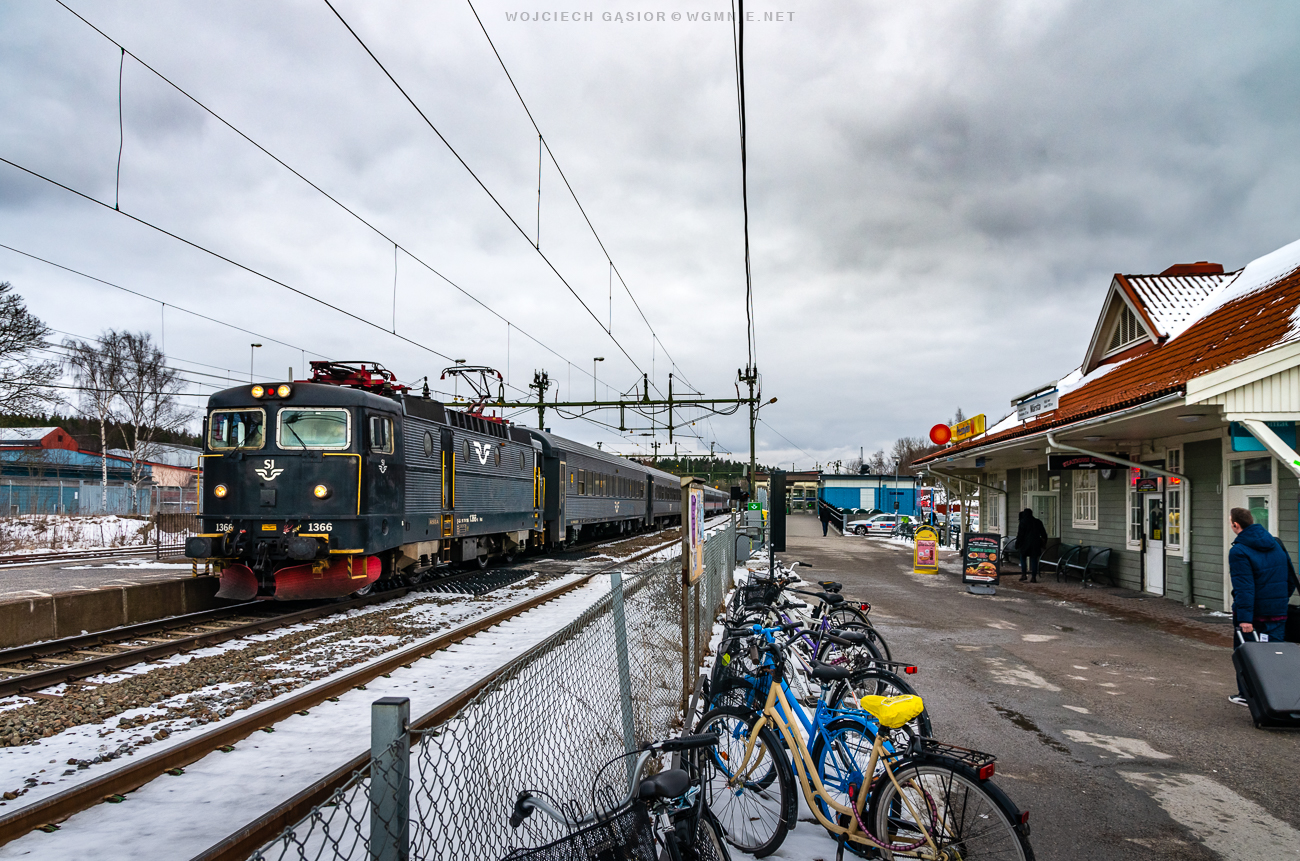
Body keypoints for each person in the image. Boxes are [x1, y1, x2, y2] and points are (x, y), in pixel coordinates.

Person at [1227, 507, 1298, 706]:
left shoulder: (1239, 551)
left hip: (1254, 617)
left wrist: (1245, 619)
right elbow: (1290, 579)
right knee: (1275, 656)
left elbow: (1244, 588)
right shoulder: (1276, 544)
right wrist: (1279, 600)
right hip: (1278, 613)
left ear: (1236, 525)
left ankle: (1249, 695)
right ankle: (1278, 697)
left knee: (1249, 657)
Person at [1015, 508, 1047, 583]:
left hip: (1024, 544)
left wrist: (1017, 543)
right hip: (1035, 544)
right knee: (1034, 560)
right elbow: (1044, 534)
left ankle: (1024, 574)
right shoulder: (1038, 522)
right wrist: (1043, 543)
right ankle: (1033, 577)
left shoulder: (1023, 522)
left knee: (1023, 558)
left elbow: (1020, 535)